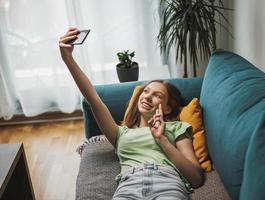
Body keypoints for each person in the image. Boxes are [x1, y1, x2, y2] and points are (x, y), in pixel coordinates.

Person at [59, 28, 204, 199]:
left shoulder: (177, 128)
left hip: (167, 183)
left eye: (157, 95)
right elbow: (93, 99)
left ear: (167, 108)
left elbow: (195, 178)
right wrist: (67, 59)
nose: (148, 97)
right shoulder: (121, 133)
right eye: (146, 91)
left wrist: (162, 140)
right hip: (129, 186)